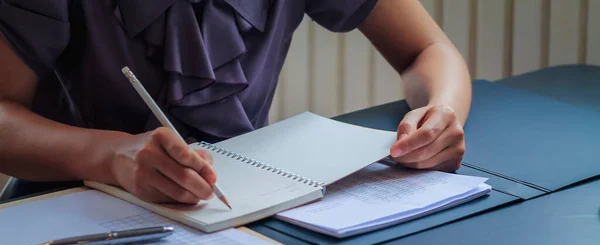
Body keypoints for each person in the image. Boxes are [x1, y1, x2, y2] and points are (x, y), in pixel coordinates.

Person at [0, 0, 471, 204]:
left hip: (241, 214)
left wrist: (441, 113)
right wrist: (111, 156)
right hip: (68, 216)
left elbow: (426, 51)